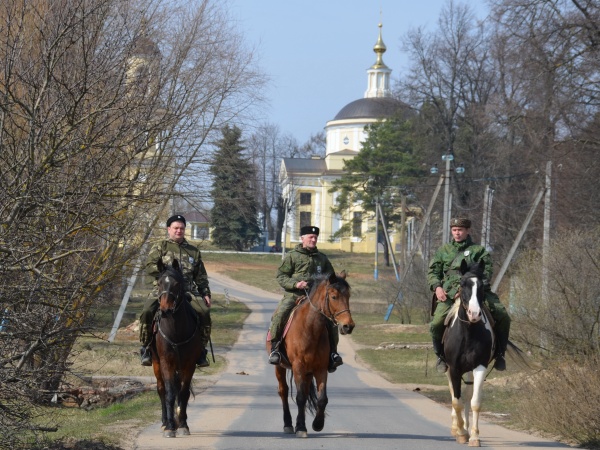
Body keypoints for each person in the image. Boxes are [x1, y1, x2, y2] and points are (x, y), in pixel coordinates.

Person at [428, 217, 511, 372]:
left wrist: (471, 285)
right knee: (436, 323)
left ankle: (500, 354)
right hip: (449, 293)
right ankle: (440, 356)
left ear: (467, 231)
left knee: (503, 316)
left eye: (460, 230)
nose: (457, 233)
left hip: (476, 291)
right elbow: (433, 272)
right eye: (454, 230)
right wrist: (437, 287)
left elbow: (487, 271)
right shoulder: (443, 251)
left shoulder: (478, 251)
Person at [139, 214, 212, 367]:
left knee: (204, 313)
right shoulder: (160, 247)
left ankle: (201, 350)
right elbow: (150, 266)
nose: (179, 231)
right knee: (147, 311)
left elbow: (201, 276)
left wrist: (205, 293)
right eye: (176, 228)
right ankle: (146, 347)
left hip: (188, 290)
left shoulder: (193, 251)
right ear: (169, 229)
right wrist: (167, 275)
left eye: (182, 228)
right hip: (164, 289)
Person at [268, 225, 343, 373]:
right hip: (294, 295)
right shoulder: (291, 256)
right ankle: (275, 349)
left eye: (315, 237)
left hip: (316, 300)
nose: (313, 240)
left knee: (331, 322)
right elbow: (281, 276)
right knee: (280, 315)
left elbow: (332, 279)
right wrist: (296, 284)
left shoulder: (322, 258)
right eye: (310, 237)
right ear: (302, 238)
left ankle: (333, 353)